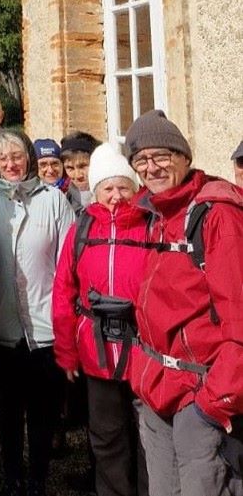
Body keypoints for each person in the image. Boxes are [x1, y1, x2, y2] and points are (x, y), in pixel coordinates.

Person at [121, 110, 243, 496]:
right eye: (141, 159)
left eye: (162, 155)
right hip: (156, 390)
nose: (151, 167)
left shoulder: (216, 215)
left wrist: (213, 404)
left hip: (200, 394)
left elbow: (240, 319)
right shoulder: (153, 213)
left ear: (184, 157)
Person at [0, 129, 76, 496]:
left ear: (29, 158)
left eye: (16, 156)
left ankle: (37, 477)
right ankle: (11, 475)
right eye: (2, 158)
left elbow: (68, 263)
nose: (10, 163)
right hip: (2, 320)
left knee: (42, 407)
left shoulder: (54, 199)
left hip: (44, 322)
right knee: (7, 404)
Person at [51, 143, 148, 496]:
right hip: (97, 350)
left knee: (147, 437)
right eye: (108, 187)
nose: (116, 195)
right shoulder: (81, 230)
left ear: (135, 188)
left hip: (143, 351)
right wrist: (66, 352)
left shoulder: (151, 226)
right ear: (96, 190)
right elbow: (63, 292)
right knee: (106, 435)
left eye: (123, 186)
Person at [60, 132, 101, 213]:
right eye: (70, 168)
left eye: (82, 166)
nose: (78, 175)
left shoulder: (111, 197)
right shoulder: (62, 200)